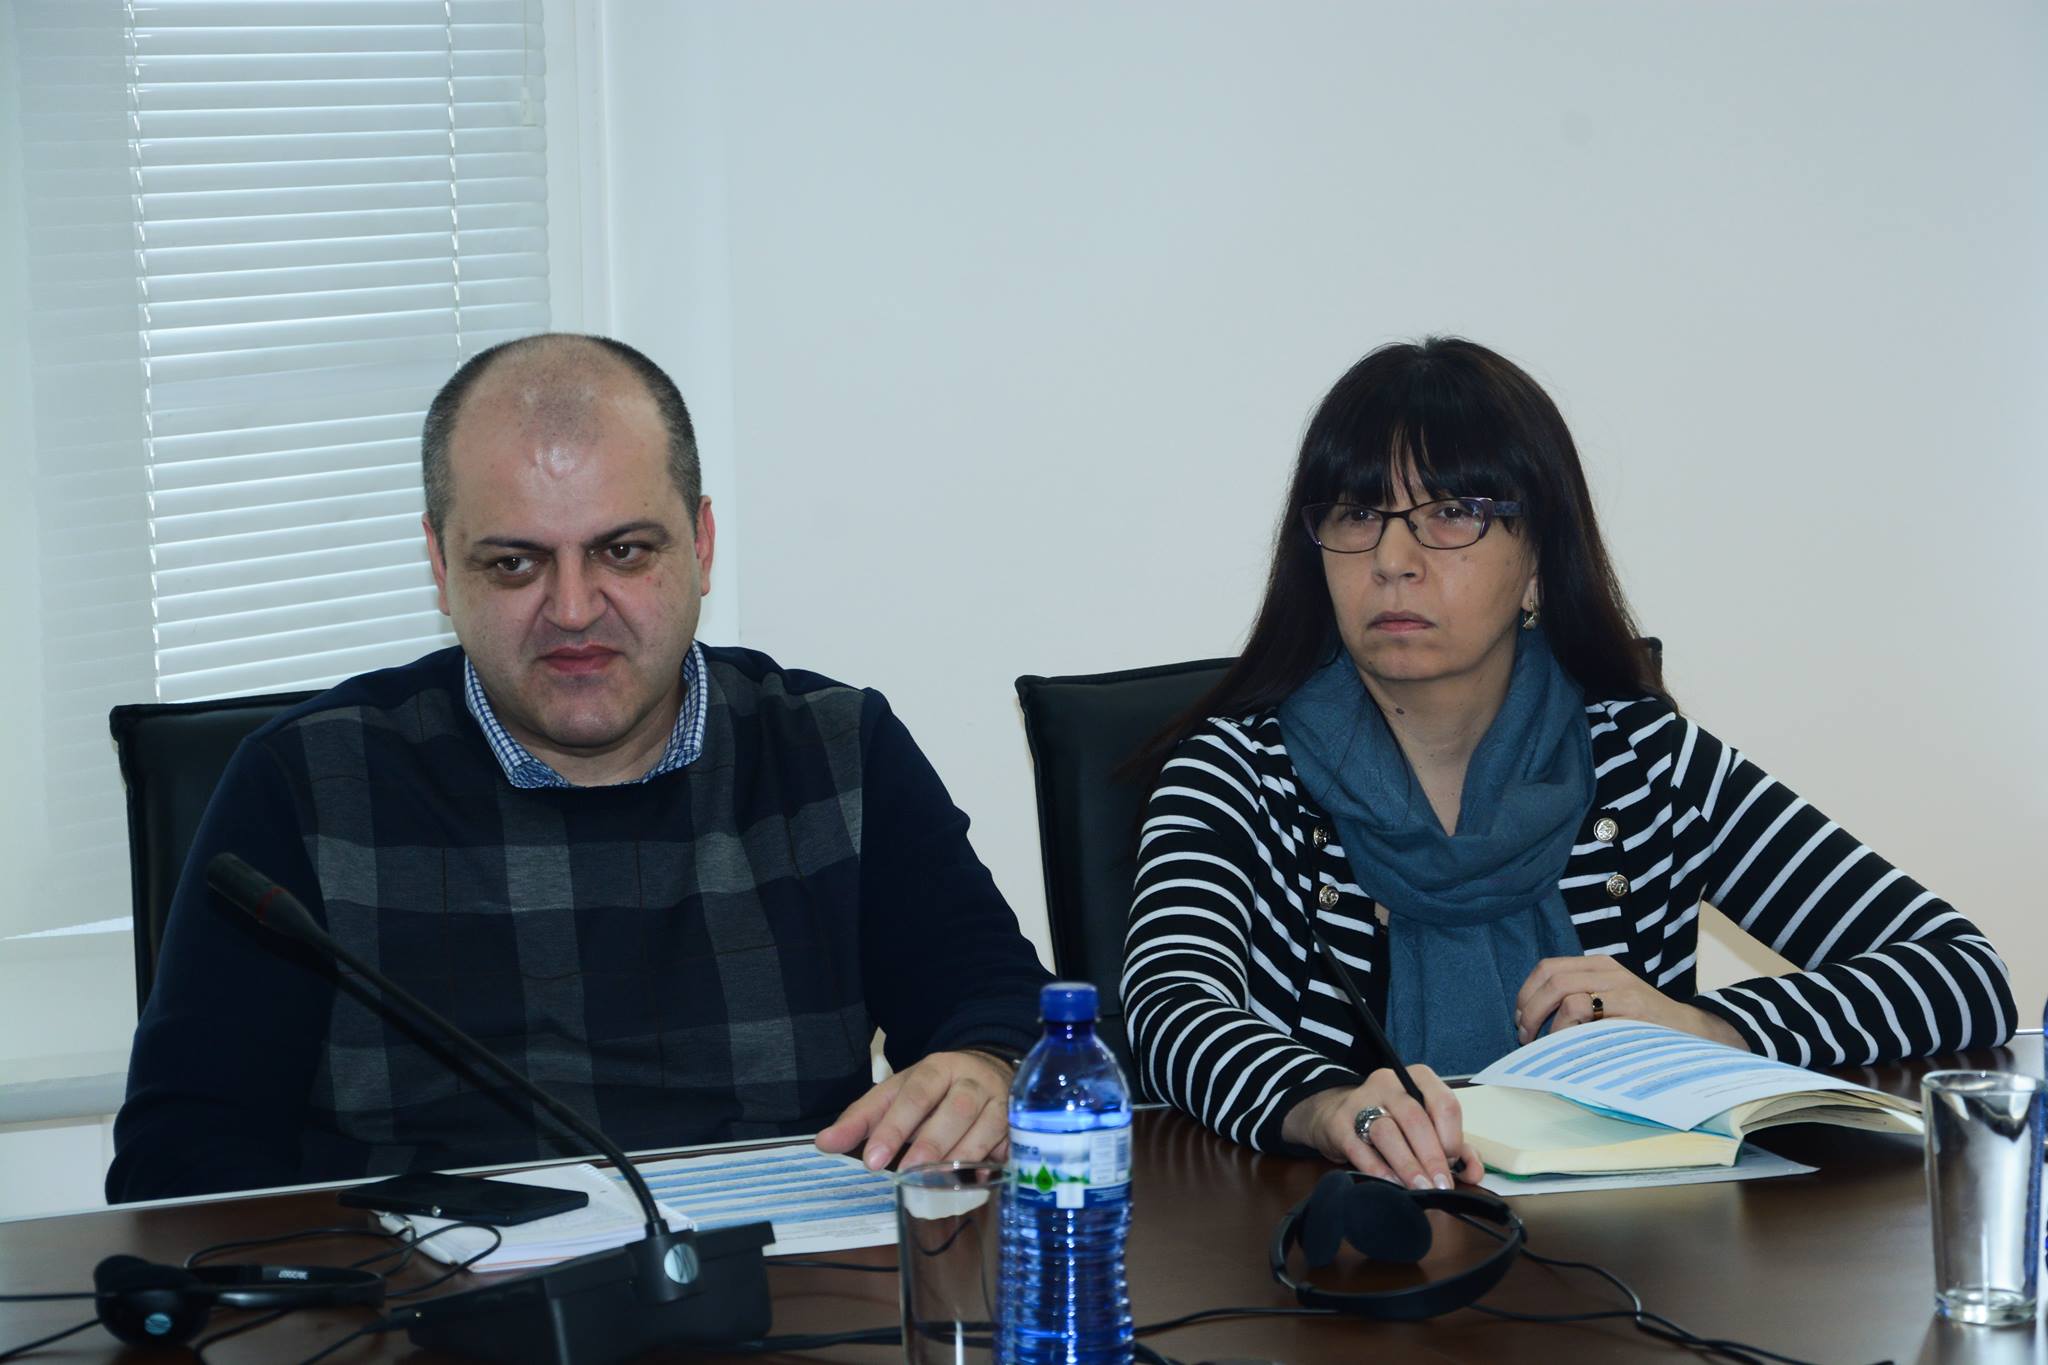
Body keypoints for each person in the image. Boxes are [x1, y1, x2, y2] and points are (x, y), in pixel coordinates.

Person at [107, 333, 1048, 1201]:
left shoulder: (834, 749)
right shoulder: (308, 784)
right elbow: (178, 1162)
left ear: (701, 544)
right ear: (440, 565)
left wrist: (987, 1069)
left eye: (622, 551)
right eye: (515, 564)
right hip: (432, 1294)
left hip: (787, 1282)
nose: (572, 609)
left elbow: (1006, 1013)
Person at [1121, 338, 2014, 1195]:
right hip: (1337, 1260)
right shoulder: (1236, 773)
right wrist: (1323, 1106)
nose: (1393, 562)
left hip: (1627, 1256)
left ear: (1539, 560)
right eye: (1357, 515)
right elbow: (1168, 1005)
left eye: (1451, 513)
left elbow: (1959, 969)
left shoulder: (1644, 762)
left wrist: (1707, 1027)